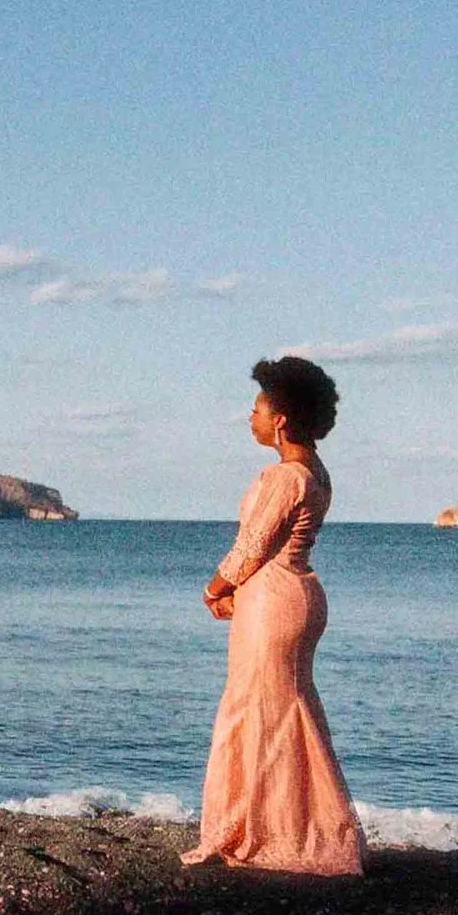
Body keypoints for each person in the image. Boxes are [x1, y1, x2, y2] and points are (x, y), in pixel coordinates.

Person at [183, 356, 364, 875]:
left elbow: (252, 546)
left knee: (254, 711)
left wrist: (214, 588)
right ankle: (288, 825)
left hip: (274, 599)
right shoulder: (317, 471)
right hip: (297, 593)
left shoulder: (284, 475)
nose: (251, 417)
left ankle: (266, 831)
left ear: (280, 418)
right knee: (289, 711)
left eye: (258, 407)